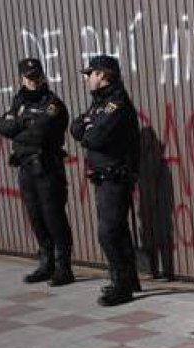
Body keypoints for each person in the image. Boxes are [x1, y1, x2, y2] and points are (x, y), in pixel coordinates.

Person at [0, 58, 73, 286]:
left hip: (47, 168)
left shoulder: (53, 104)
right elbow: (1, 126)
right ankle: (46, 263)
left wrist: (18, 127)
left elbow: (39, 133)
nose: (34, 82)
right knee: (36, 217)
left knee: (54, 217)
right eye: (29, 78)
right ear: (22, 79)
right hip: (26, 167)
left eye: (37, 77)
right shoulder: (17, 103)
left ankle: (63, 267)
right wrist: (24, 124)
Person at [70, 55, 140, 307]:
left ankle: (121, 286)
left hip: (115, 175)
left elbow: (94, 137)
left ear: (102, 75)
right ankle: (128, 280)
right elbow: (77, 126)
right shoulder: (100, 102)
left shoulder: (116, 103)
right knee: (117, 231)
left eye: (90, 73)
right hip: (103, 176)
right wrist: (87, 127)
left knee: (108, 232)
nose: (87, 78)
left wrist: (87, 128)